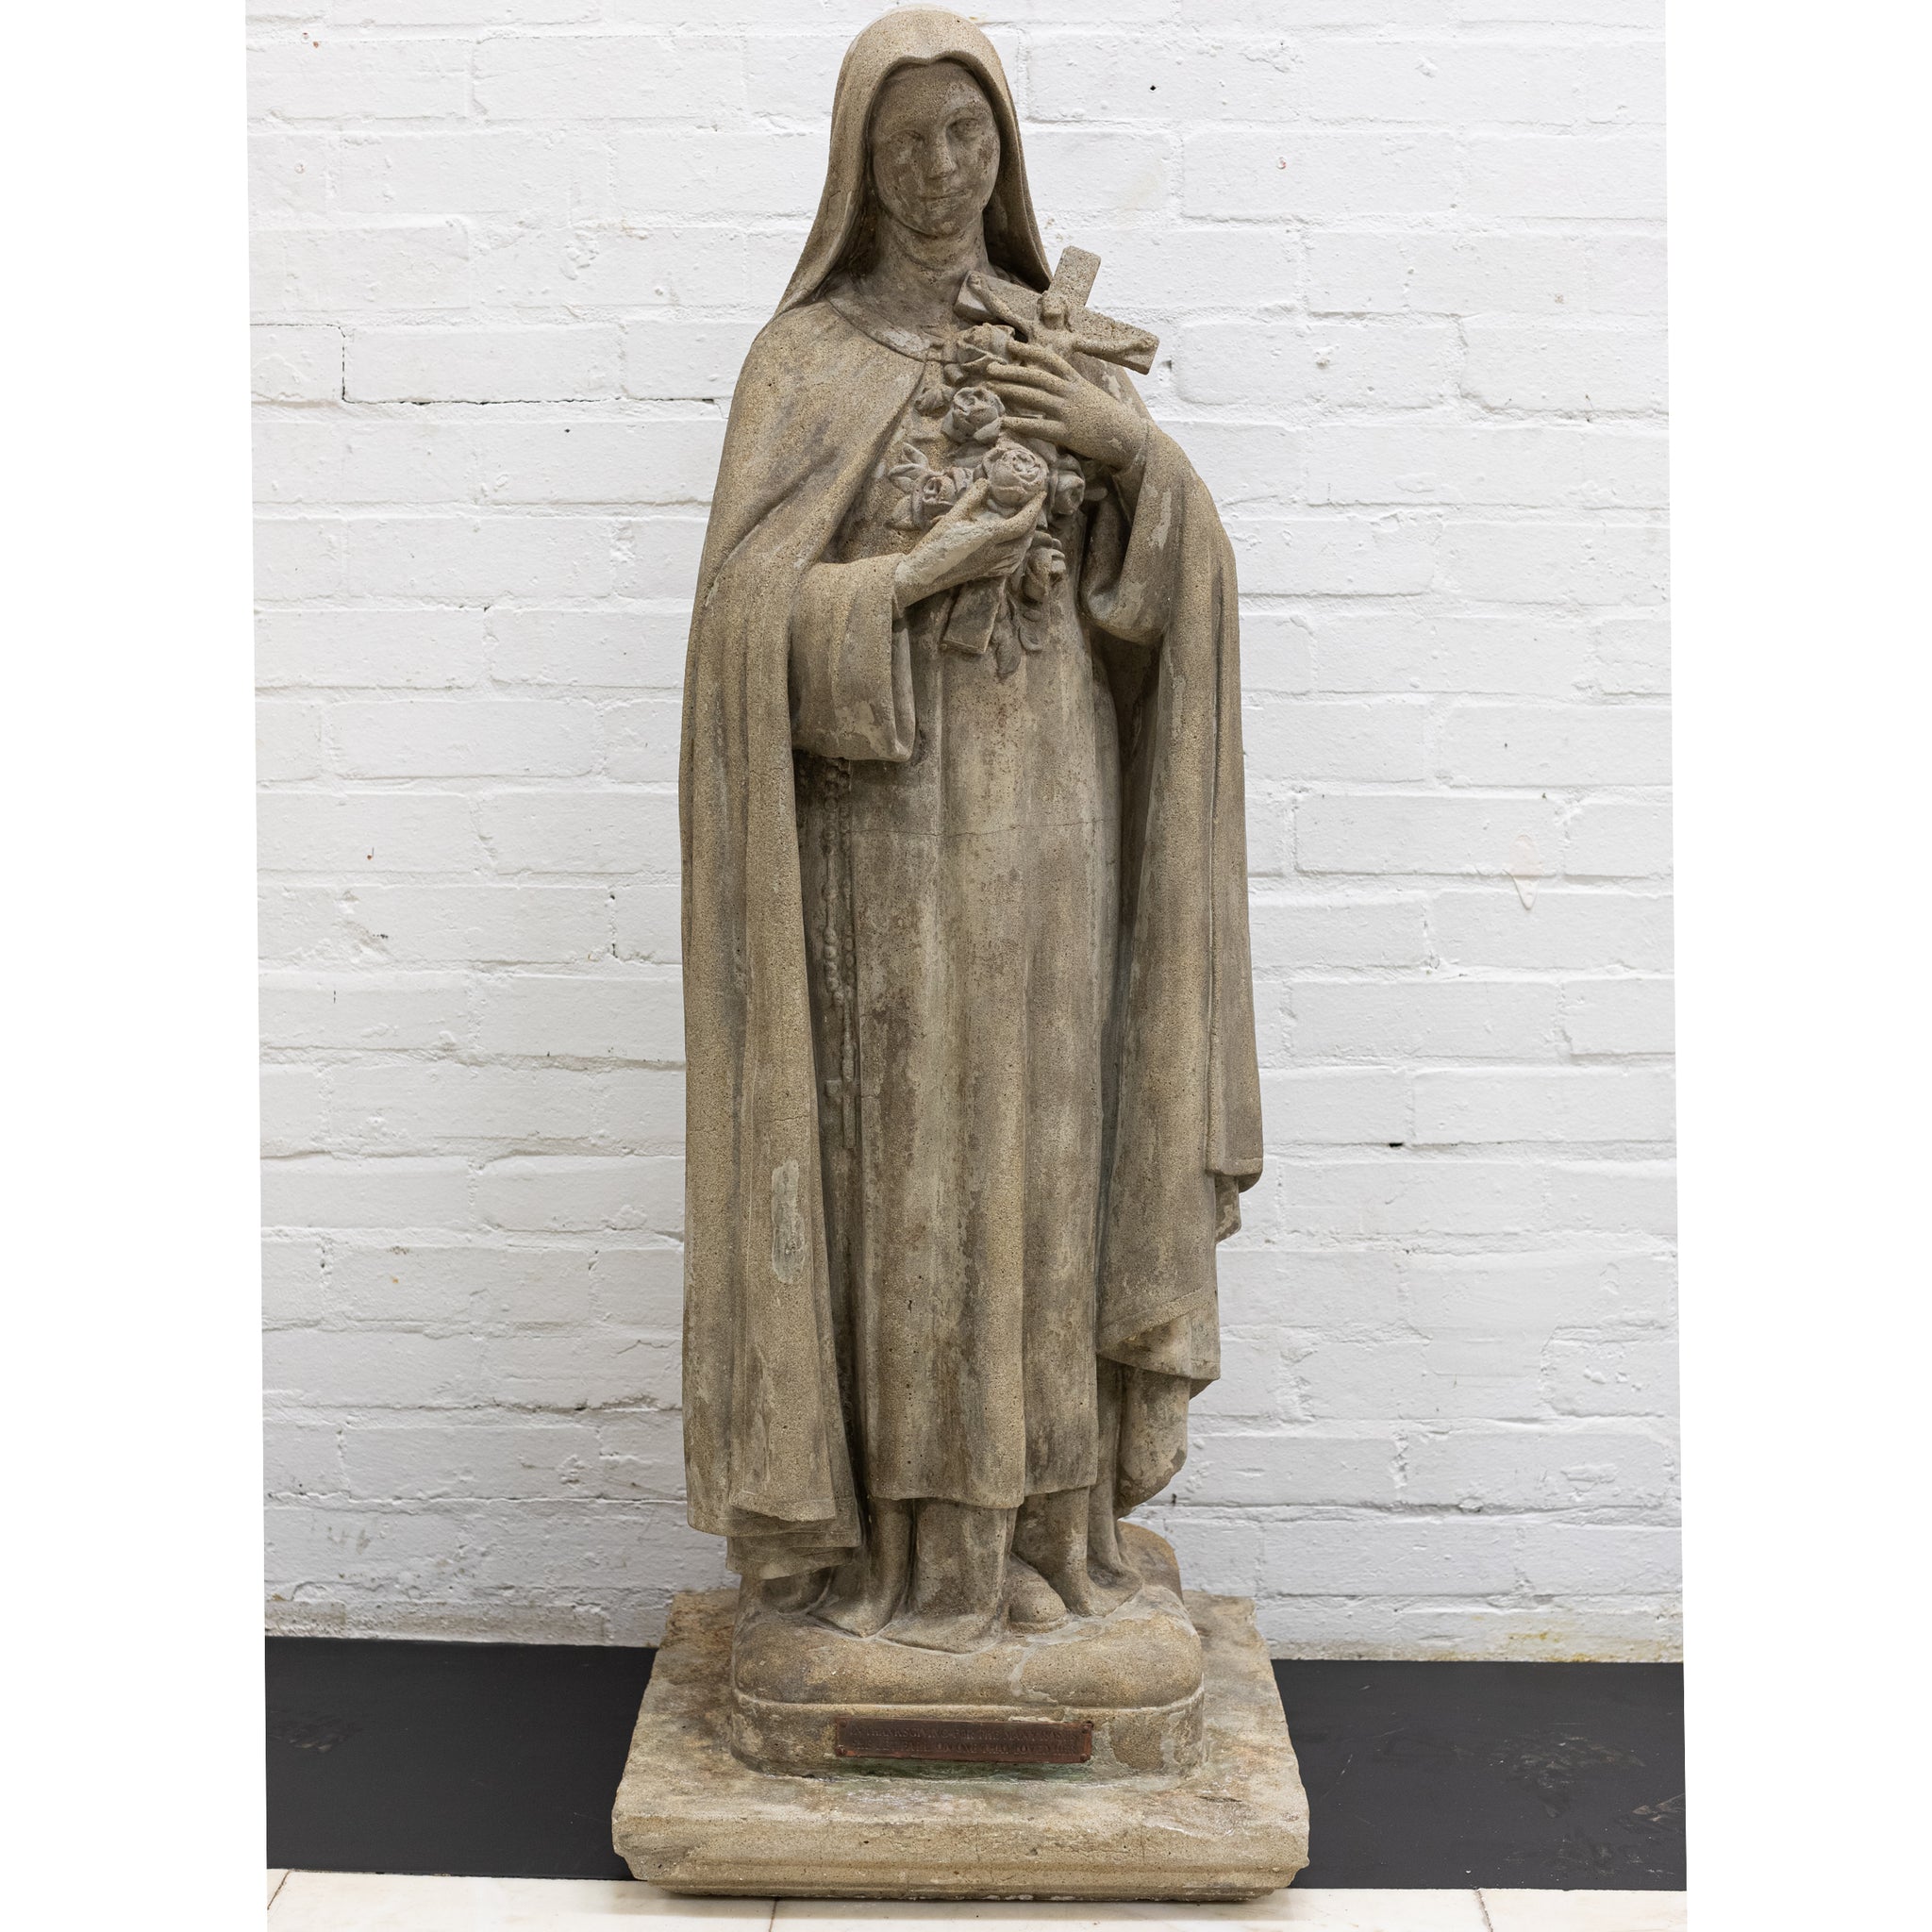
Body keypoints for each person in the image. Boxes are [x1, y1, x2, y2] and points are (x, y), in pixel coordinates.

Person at [678, 8, 1261, 1656]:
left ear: (1003, 152)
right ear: (858, 167)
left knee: (1054, 1150)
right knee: (912, 1171)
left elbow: (1174, 605)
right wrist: (920, 574)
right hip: (885, 842)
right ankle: (918, 1551)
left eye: (969, 136)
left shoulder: (1059, 344)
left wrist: (1129, 456)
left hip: (1057, 814)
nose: (942, 171)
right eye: (908, 143)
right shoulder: (804, 362)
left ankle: (1056, 1537)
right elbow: (738, 637)